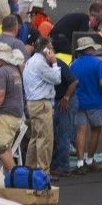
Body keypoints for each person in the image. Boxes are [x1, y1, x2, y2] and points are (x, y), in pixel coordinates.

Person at [0, 43, 26, 170]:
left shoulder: (1, 72)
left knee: (0, 148)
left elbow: (1, 96)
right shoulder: (14, 70)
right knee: (6, 149)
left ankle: (15, 177)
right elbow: (9, 93)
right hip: (15, 115)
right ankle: (9, 181)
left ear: (0, 58)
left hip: (5, 116)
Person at [70, 37, 102, 174]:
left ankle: (80, 163)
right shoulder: (98, 63)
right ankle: (90, 160)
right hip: (95, 101)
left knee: (81, 131)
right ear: (91, 49)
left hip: (79, 101)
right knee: (96, 130)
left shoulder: (74, 64)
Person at [23, 38, 62, 171]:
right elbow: (57, 79)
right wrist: (55, 63)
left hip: (32, 103)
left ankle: (31, 169)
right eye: (50, 49)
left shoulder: (30, 61)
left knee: (35, 137)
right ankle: (43, 172)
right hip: (41, 104)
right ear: (46, 50)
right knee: (45, 139)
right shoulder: (40, 63)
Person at [50, 57, 79, 179]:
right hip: (59, 99)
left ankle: (63, 166)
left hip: (66, 100)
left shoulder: (59, 64)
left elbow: (74, 81)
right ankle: (58, 164)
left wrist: (66, 98)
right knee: (58, 134)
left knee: (63, 134)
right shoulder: (50, 63)